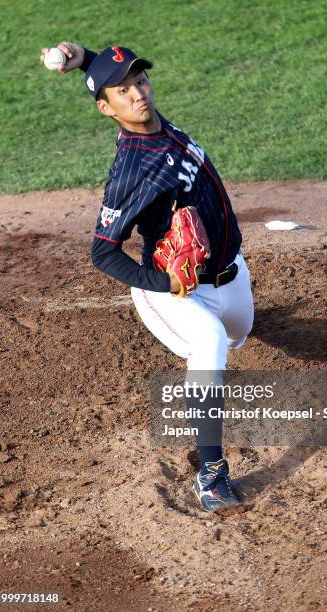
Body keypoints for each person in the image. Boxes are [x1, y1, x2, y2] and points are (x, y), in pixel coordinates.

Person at [40, 42, 254, 511]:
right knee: (211, 343)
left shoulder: (154, 121)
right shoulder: (132, 169)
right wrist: (163, 284)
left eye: (140, 81)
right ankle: (212, 474)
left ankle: (221, 327)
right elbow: (103, 253)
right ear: (106, 109)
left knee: (240, 332)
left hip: (230, 273)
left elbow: (116, 78)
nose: (136, 92)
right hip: (173, 290)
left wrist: (87, 60)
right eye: (123, 90)